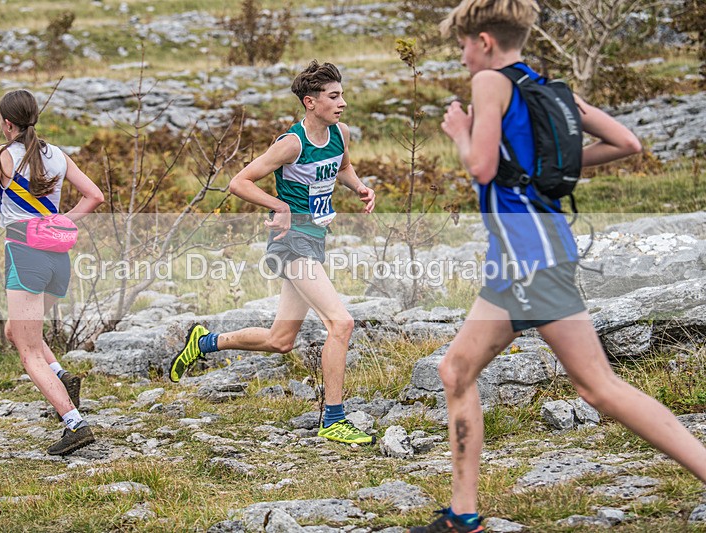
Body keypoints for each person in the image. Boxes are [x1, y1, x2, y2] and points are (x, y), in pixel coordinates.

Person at [409, 0, 706, 531]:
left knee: (598, 387)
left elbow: (480, 166)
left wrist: (459, 129)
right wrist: (548, 166)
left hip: (530, 257)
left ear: (484, 42)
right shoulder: (550, 90)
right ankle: (463, 515)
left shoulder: (490, 84)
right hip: (525, 253)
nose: (461, 58)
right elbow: (627, 142)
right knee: (455, 368)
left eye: (461, 47)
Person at [168, 60, 377, 445]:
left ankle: (204, 341)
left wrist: (359, 187)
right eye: (334, 96)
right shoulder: (291, 143)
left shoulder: (340, 134)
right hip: (290, 243)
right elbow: (238, 182)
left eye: (342, 94)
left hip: (315, 239)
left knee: (281, 340)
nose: (342, 102)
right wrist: (278, 206)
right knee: (341, 323)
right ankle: (333, 419)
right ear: (310, 102)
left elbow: (342, 168)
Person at [0, 89, 104, 456]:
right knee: (16, 329)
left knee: (28, 352)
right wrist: (59, 222)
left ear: (6, 123)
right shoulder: (56, 154)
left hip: (25, 254)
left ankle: (76, 425)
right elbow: (95, 196)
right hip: (57, 259)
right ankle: (62, 378)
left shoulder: (0, 157)